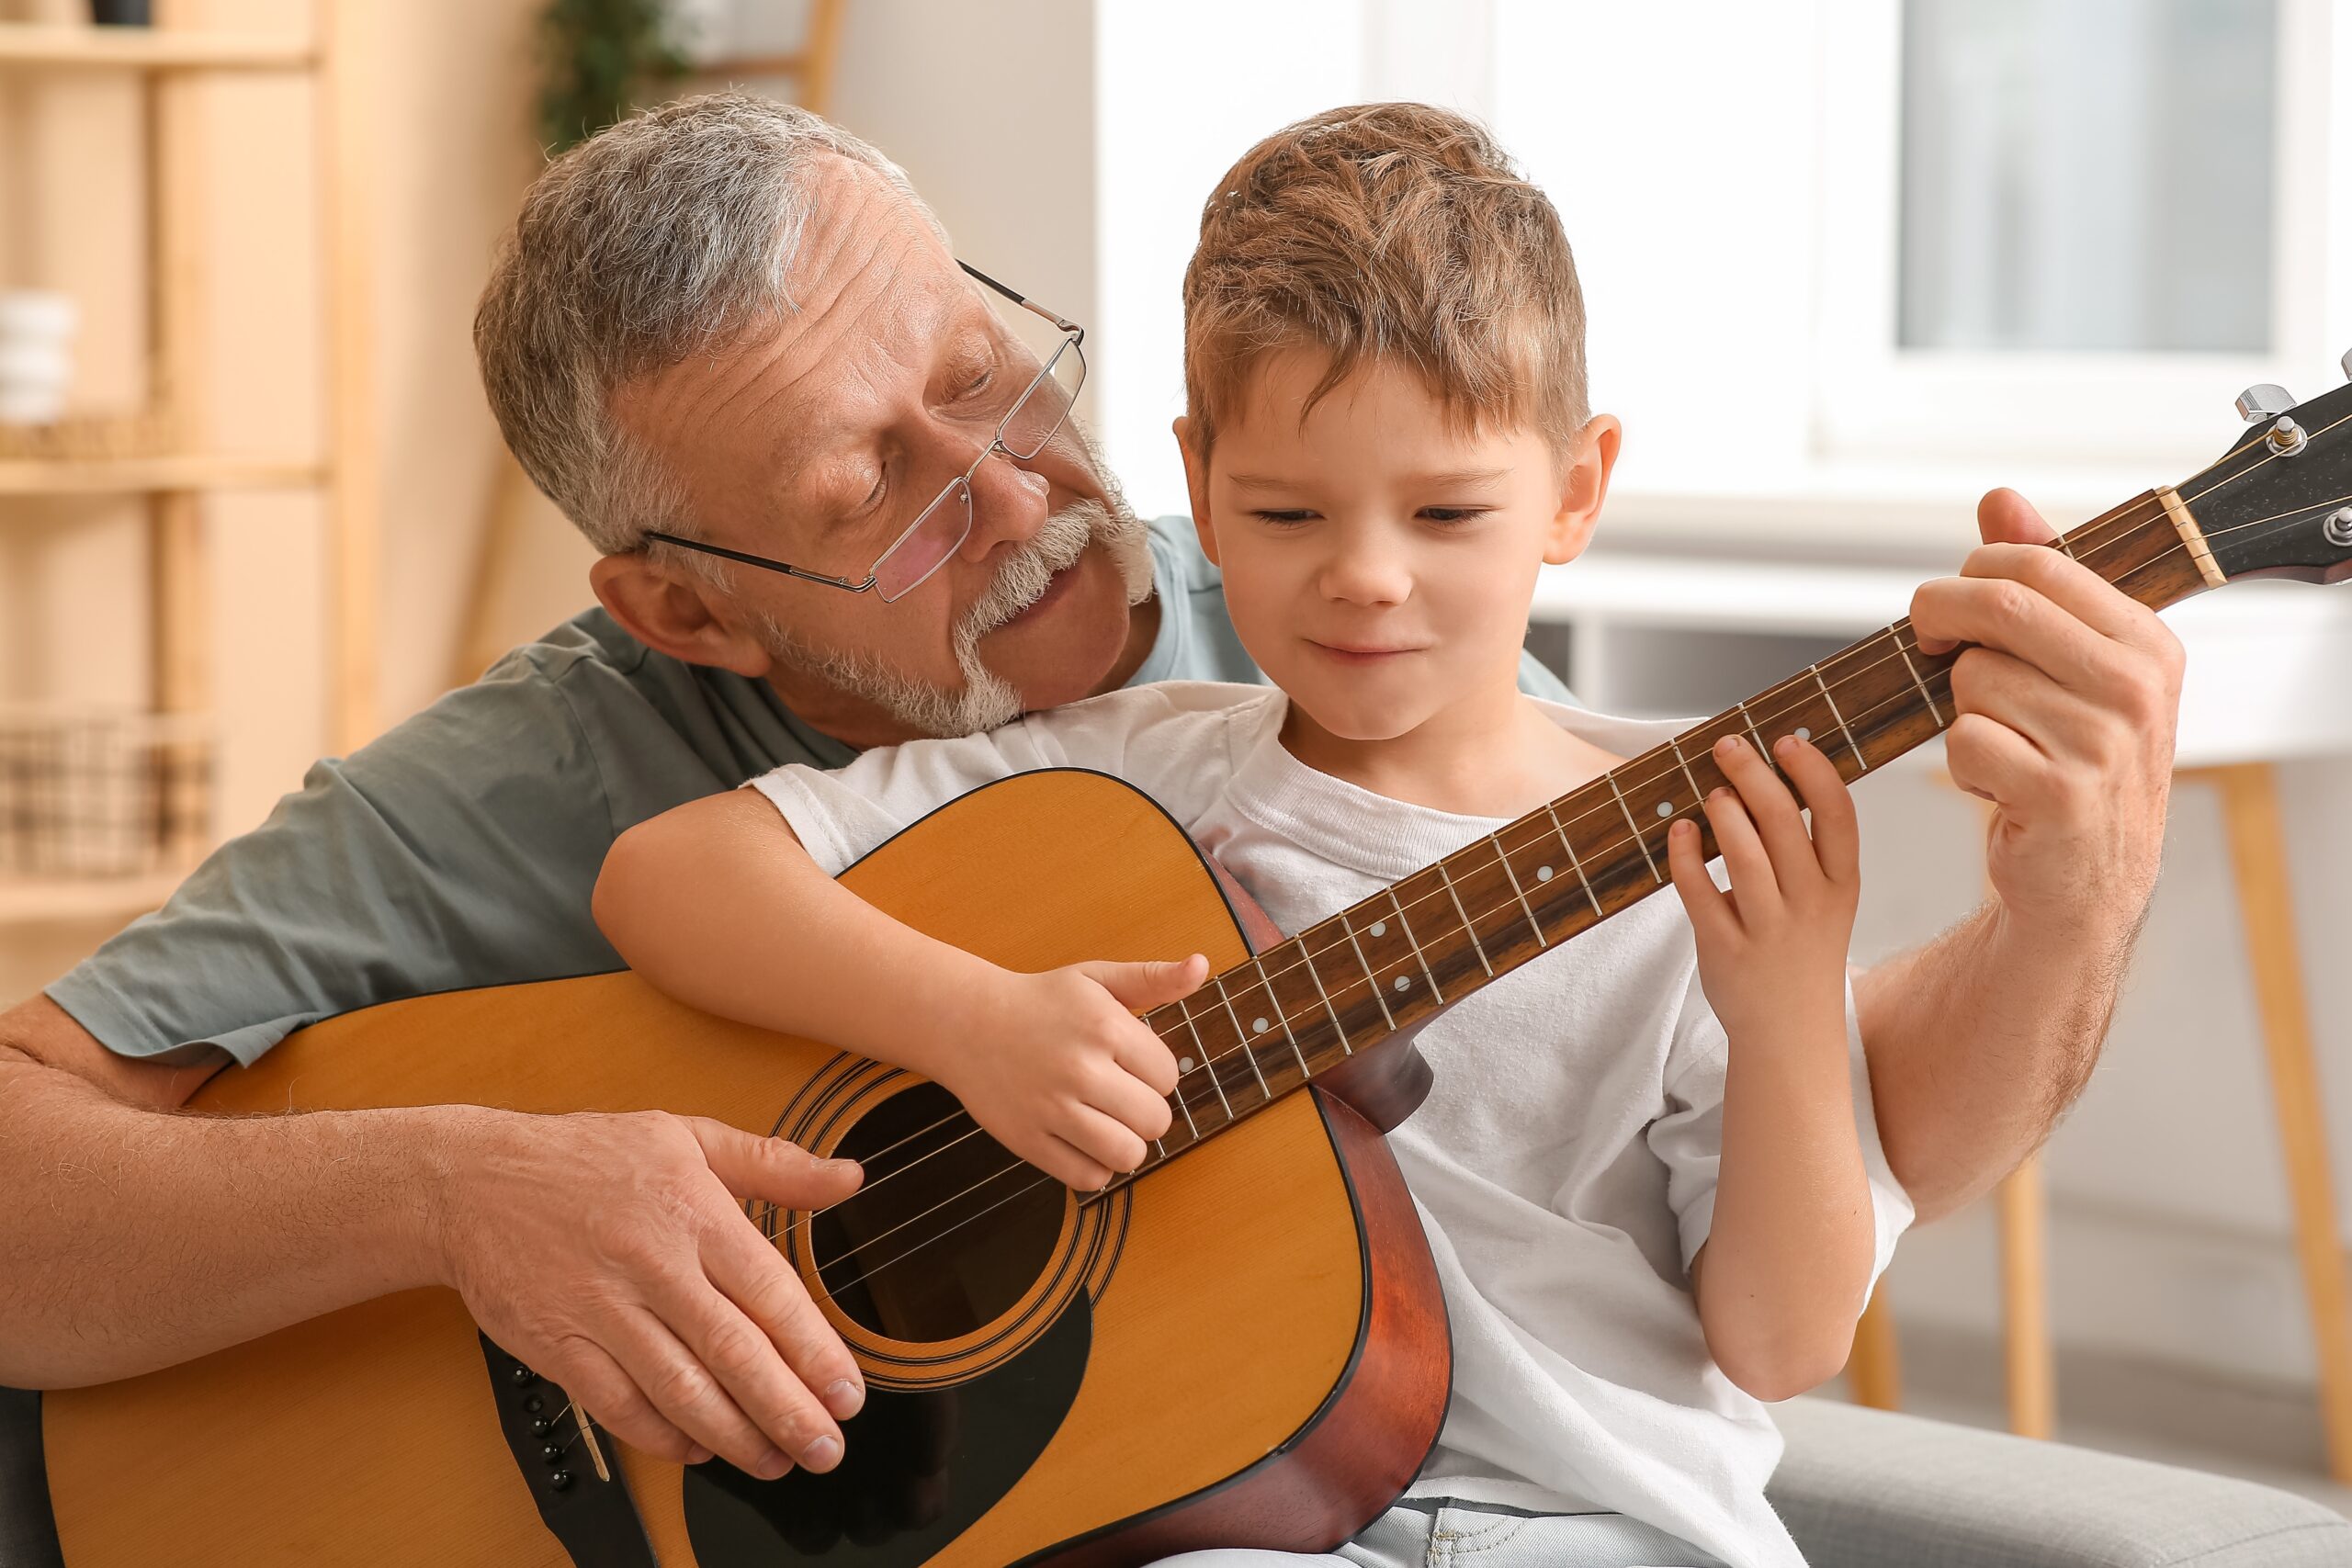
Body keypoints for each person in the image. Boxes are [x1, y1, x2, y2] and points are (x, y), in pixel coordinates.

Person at [0, 93, 2183, 1499]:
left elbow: (1756, 1123)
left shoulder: (1329, 576)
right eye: (877, 492)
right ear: (685, 613)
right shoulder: (526, 784)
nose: (1023, 496)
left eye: (987, 374)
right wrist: (458, 1186)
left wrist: (2058, 910)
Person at [593, 102, 1902, 1568]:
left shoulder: (1709, 858)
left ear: (1575, 491)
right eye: (1286, 512)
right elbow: (668, 875)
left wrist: (1786, 1013)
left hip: (1610, 1526)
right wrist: (976, 1024)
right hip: (1243, 1525)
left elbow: (1780, 1344)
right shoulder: (1115, 782)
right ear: (1200, 491)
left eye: (1449, 512)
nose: (1364, 577)